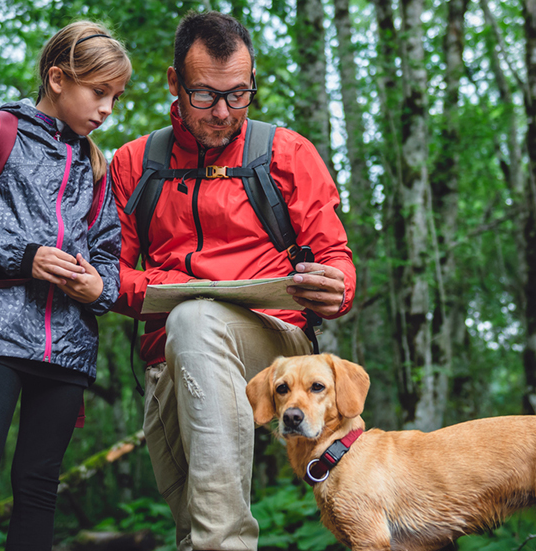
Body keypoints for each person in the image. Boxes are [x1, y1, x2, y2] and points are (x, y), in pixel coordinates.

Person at [109, 11, 356, 551]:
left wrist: (336, 285)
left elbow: (334, 256)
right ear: (174, 83)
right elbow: (110, 278)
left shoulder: (287, 154)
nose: (223, 112)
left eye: (239, 95)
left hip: (275, 346)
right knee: (191, 528)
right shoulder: (133, 164)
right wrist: (163, 286)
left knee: (195, 318)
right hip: (172, 356)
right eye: (204, 96)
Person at [0, 21, 130, 551]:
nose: (107, 109)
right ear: (58, 78)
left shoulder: (97, 165)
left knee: (39, 488)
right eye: (98, 91)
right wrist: (25, 256)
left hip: (68, 346)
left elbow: (109, 258)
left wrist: (95, 286)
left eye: (116, 96)